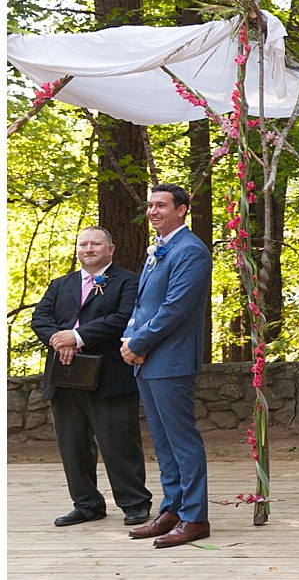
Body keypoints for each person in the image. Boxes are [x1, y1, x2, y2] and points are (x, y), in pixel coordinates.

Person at [31, 227, 152, 527]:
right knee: (73, 444)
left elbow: (123, 318)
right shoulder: (61, 284)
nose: (88, 249)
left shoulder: (129, 282)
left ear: (110, 248)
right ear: (77, 250)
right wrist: (61, 341)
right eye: (83, 244)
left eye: (95, 244)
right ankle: (86, 505)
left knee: (119, 443)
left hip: (110, 375)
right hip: (65, 372)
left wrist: (77, 336)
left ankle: (134, 503)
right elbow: (40, 319)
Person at [121, 184, 214, 548]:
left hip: (171, 359)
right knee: (163, 443)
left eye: (161, 205)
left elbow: (175, 308)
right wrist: (130, 341)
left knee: (182, 441)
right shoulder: (159, 249)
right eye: (150, 205)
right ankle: (172, 509)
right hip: (146, 358)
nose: (153, 211)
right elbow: (144, 304)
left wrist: (140, 344)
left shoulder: (191, 251)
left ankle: (195, 517)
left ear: (182, 210)